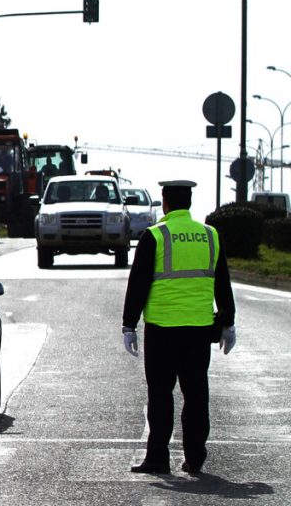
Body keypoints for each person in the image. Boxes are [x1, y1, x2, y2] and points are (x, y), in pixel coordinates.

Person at [121, 179, 236, 475]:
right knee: (196, 394)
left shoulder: (155, 236)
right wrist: (228, 322)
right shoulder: (210, 235)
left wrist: (129, 325)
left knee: (161, 394)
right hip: (199, 329)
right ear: (190, 202)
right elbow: (222, 281)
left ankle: (158, 458)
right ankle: (195, 457)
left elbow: (138, 284)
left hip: (162, 330)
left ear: (165, 202)